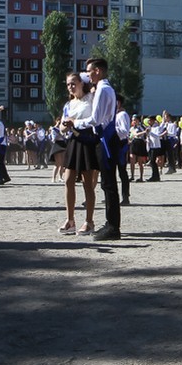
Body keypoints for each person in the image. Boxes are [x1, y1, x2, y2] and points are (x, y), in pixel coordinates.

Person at [64, 58, 121, 241]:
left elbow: (95, 119)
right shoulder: (104, 88)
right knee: (106, 183)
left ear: (97, 71)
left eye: (89, 71)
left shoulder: (102, 90)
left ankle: (113, 227)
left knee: (108, 184)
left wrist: (75, 123)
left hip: (105, 138)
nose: (87, 75)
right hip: (105, 137)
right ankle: (111, 224)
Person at [59, 73, 99, 235]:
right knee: (68, 180)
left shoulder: (91, 99)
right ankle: (70, 220)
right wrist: (65, 125)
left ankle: (89, 221)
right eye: (68, 84)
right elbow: (61, 128)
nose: (71, 87)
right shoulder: (68, 104)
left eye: (73, 83)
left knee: (87, 183)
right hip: (73, 141)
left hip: (87, 140)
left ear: (82, 83)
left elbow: (95, 117)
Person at [115, 95, 132, 205]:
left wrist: (112, 129)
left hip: (120, 144)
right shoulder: (114, 115)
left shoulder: (122, 115)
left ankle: (125, 196)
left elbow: (125, 131)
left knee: (122, 171)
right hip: (114, 144)